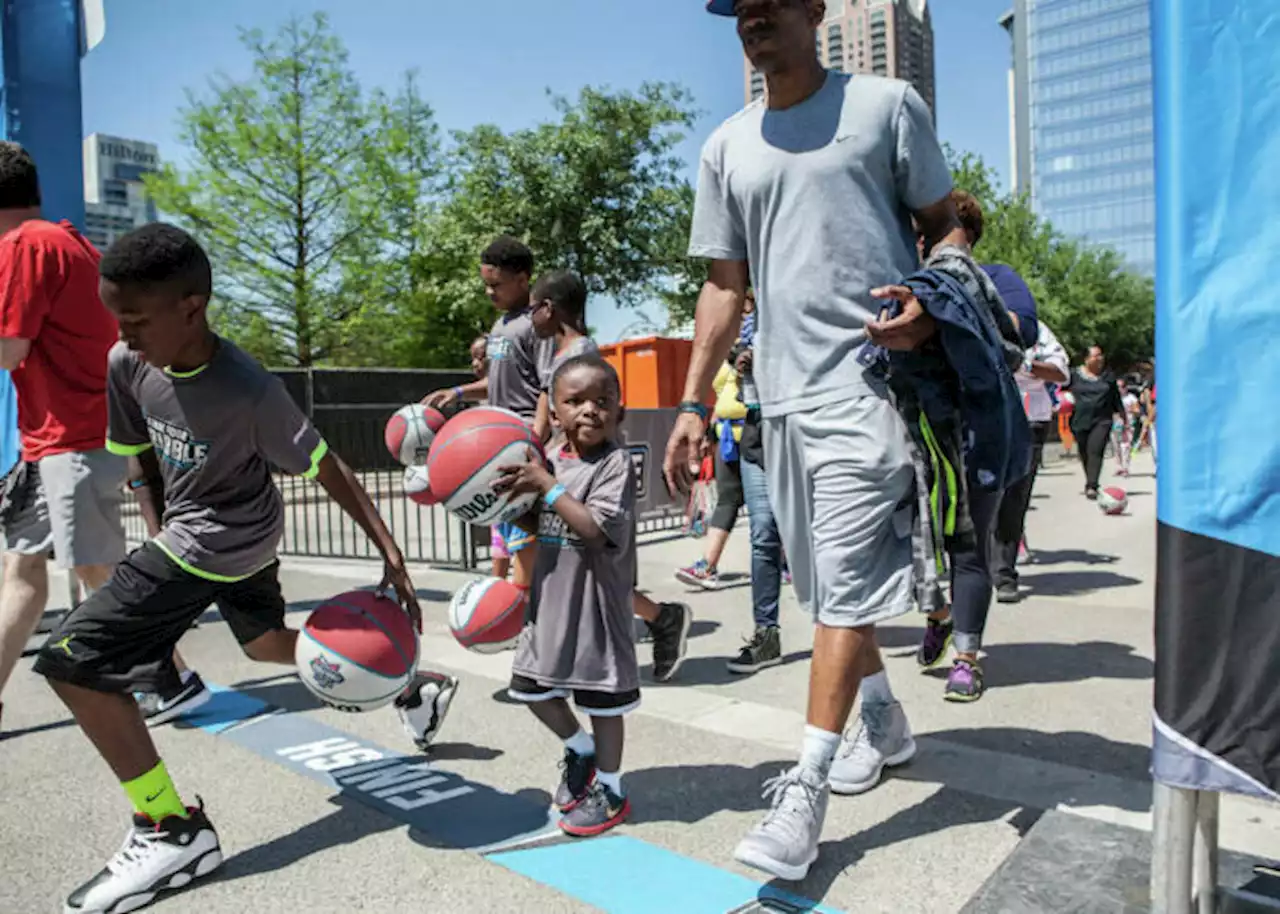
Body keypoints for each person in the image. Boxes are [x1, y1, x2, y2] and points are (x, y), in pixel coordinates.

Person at [33, 224, 427, 913]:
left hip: (228, 538)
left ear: (192, 307)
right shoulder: (127, 364)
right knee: (266, 644)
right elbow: (139, 455)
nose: (123, 335)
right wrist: (155, 537)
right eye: (114, 318)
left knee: (72, 662)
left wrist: (389, 551)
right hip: (198, 540)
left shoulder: (246, 387)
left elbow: (322, 462)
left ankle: (169, 829)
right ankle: (408, 682)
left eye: (135, 319)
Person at [665, 0, 968, 881]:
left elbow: (944, 224)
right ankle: (884, 718)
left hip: (871, 385)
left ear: (814, 9)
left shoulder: (886, 104)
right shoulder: (726, 146)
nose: (751, 16)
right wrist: (691, 399)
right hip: (779, 401)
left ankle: (806, 791)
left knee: (837, 584)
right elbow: (725, 286)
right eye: (737, 8)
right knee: (825, 585)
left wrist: (929, 296)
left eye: (768, 2)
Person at [0, 142, 127, 732]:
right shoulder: (67, 239)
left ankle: (172, 679)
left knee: (98, 574)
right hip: (57, 440)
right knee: (24, 573)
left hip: (72, 441)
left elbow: (9, 351)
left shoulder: (24, 245)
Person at [495, 354, 639, 836]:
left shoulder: (616, 463)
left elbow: (595, 530)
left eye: (603, 400)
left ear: (620, 409)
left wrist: (548, 486)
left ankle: (613, 791)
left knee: (604, 702)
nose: (590, 410)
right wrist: (508, 508)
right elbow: (548, 520)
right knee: (531, 689)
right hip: (552, 597)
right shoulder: (550, 461)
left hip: (597, 603)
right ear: (554, 413)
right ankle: (580, 750)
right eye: (574, 401)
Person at [528, 268, 691, 681]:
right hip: (559, 465)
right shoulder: (554, 352)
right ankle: (553, 650)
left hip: (591, 473)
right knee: (569, 562)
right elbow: (546, 412)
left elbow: (586, 415)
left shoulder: (581, 352)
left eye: (532, 309)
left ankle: (659, 619)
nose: (529, 318)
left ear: (548, 308)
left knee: (595, 565)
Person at [423, 237, 549, 592]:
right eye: (485, 284)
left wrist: (534, 441)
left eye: (496, 285)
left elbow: (547, 386)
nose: (488, 292)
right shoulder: (499, 326)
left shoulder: (536, 324)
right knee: (508, 525)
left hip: (521, 441)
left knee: (526, 526)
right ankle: (515, 600)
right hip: (499, 442)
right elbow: (497, 380)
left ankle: (526, 609)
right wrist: (459, 391)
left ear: (522, 280)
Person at [991, 318, 1070, 604]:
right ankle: (972, 570)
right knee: (980, 496)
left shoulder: (1036, 331)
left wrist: (1023, 366)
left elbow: (1060, 372)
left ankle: (1004, 573)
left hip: (1028, 421)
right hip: (983, 417)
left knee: (1014, 498)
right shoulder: (973, 320)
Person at [728, 342, 786, 674]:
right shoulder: (753, 315)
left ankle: (843, 632)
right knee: (764, 534)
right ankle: (767, 633)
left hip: (805, 436)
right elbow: (730, 347)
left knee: (818, 536)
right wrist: (740, 357)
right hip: (758, 442)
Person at [674, 342, 747, 589]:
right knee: (727, 499)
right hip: (726, 437)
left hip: (757, 434)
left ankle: (787, 563)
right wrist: (709, 434)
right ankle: (707, 565)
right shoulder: (727, 343)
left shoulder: (758, 333)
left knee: (771, 503)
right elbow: (721, 397)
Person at [1067, 345, 1123, 499]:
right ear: (1086, 359)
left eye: (1101, 355)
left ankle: (1092, 485)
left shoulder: (1108, 377)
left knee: (1095, 450)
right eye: (1095, 356)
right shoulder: (1073, 376)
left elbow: (1115, 398)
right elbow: (1060, 389)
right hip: (1079, 419)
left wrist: (1121, 415)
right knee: (1084, 452)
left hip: (1102, 419)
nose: (1100, 359)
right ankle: (1090, 479)